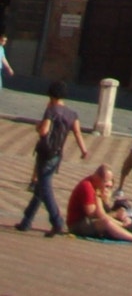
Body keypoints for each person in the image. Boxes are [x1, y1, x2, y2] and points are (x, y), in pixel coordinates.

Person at [15, 80, 89, 234]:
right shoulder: (72, 114)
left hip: (45, 153)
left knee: (45, 188)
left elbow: (44, 131)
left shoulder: (51, 110)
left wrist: (39, 127)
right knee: (40, 190)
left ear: (51, 95)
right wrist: (84, 150)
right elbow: (77, 132)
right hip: (57, 155)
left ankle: (57, 220)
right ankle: (26, 221)